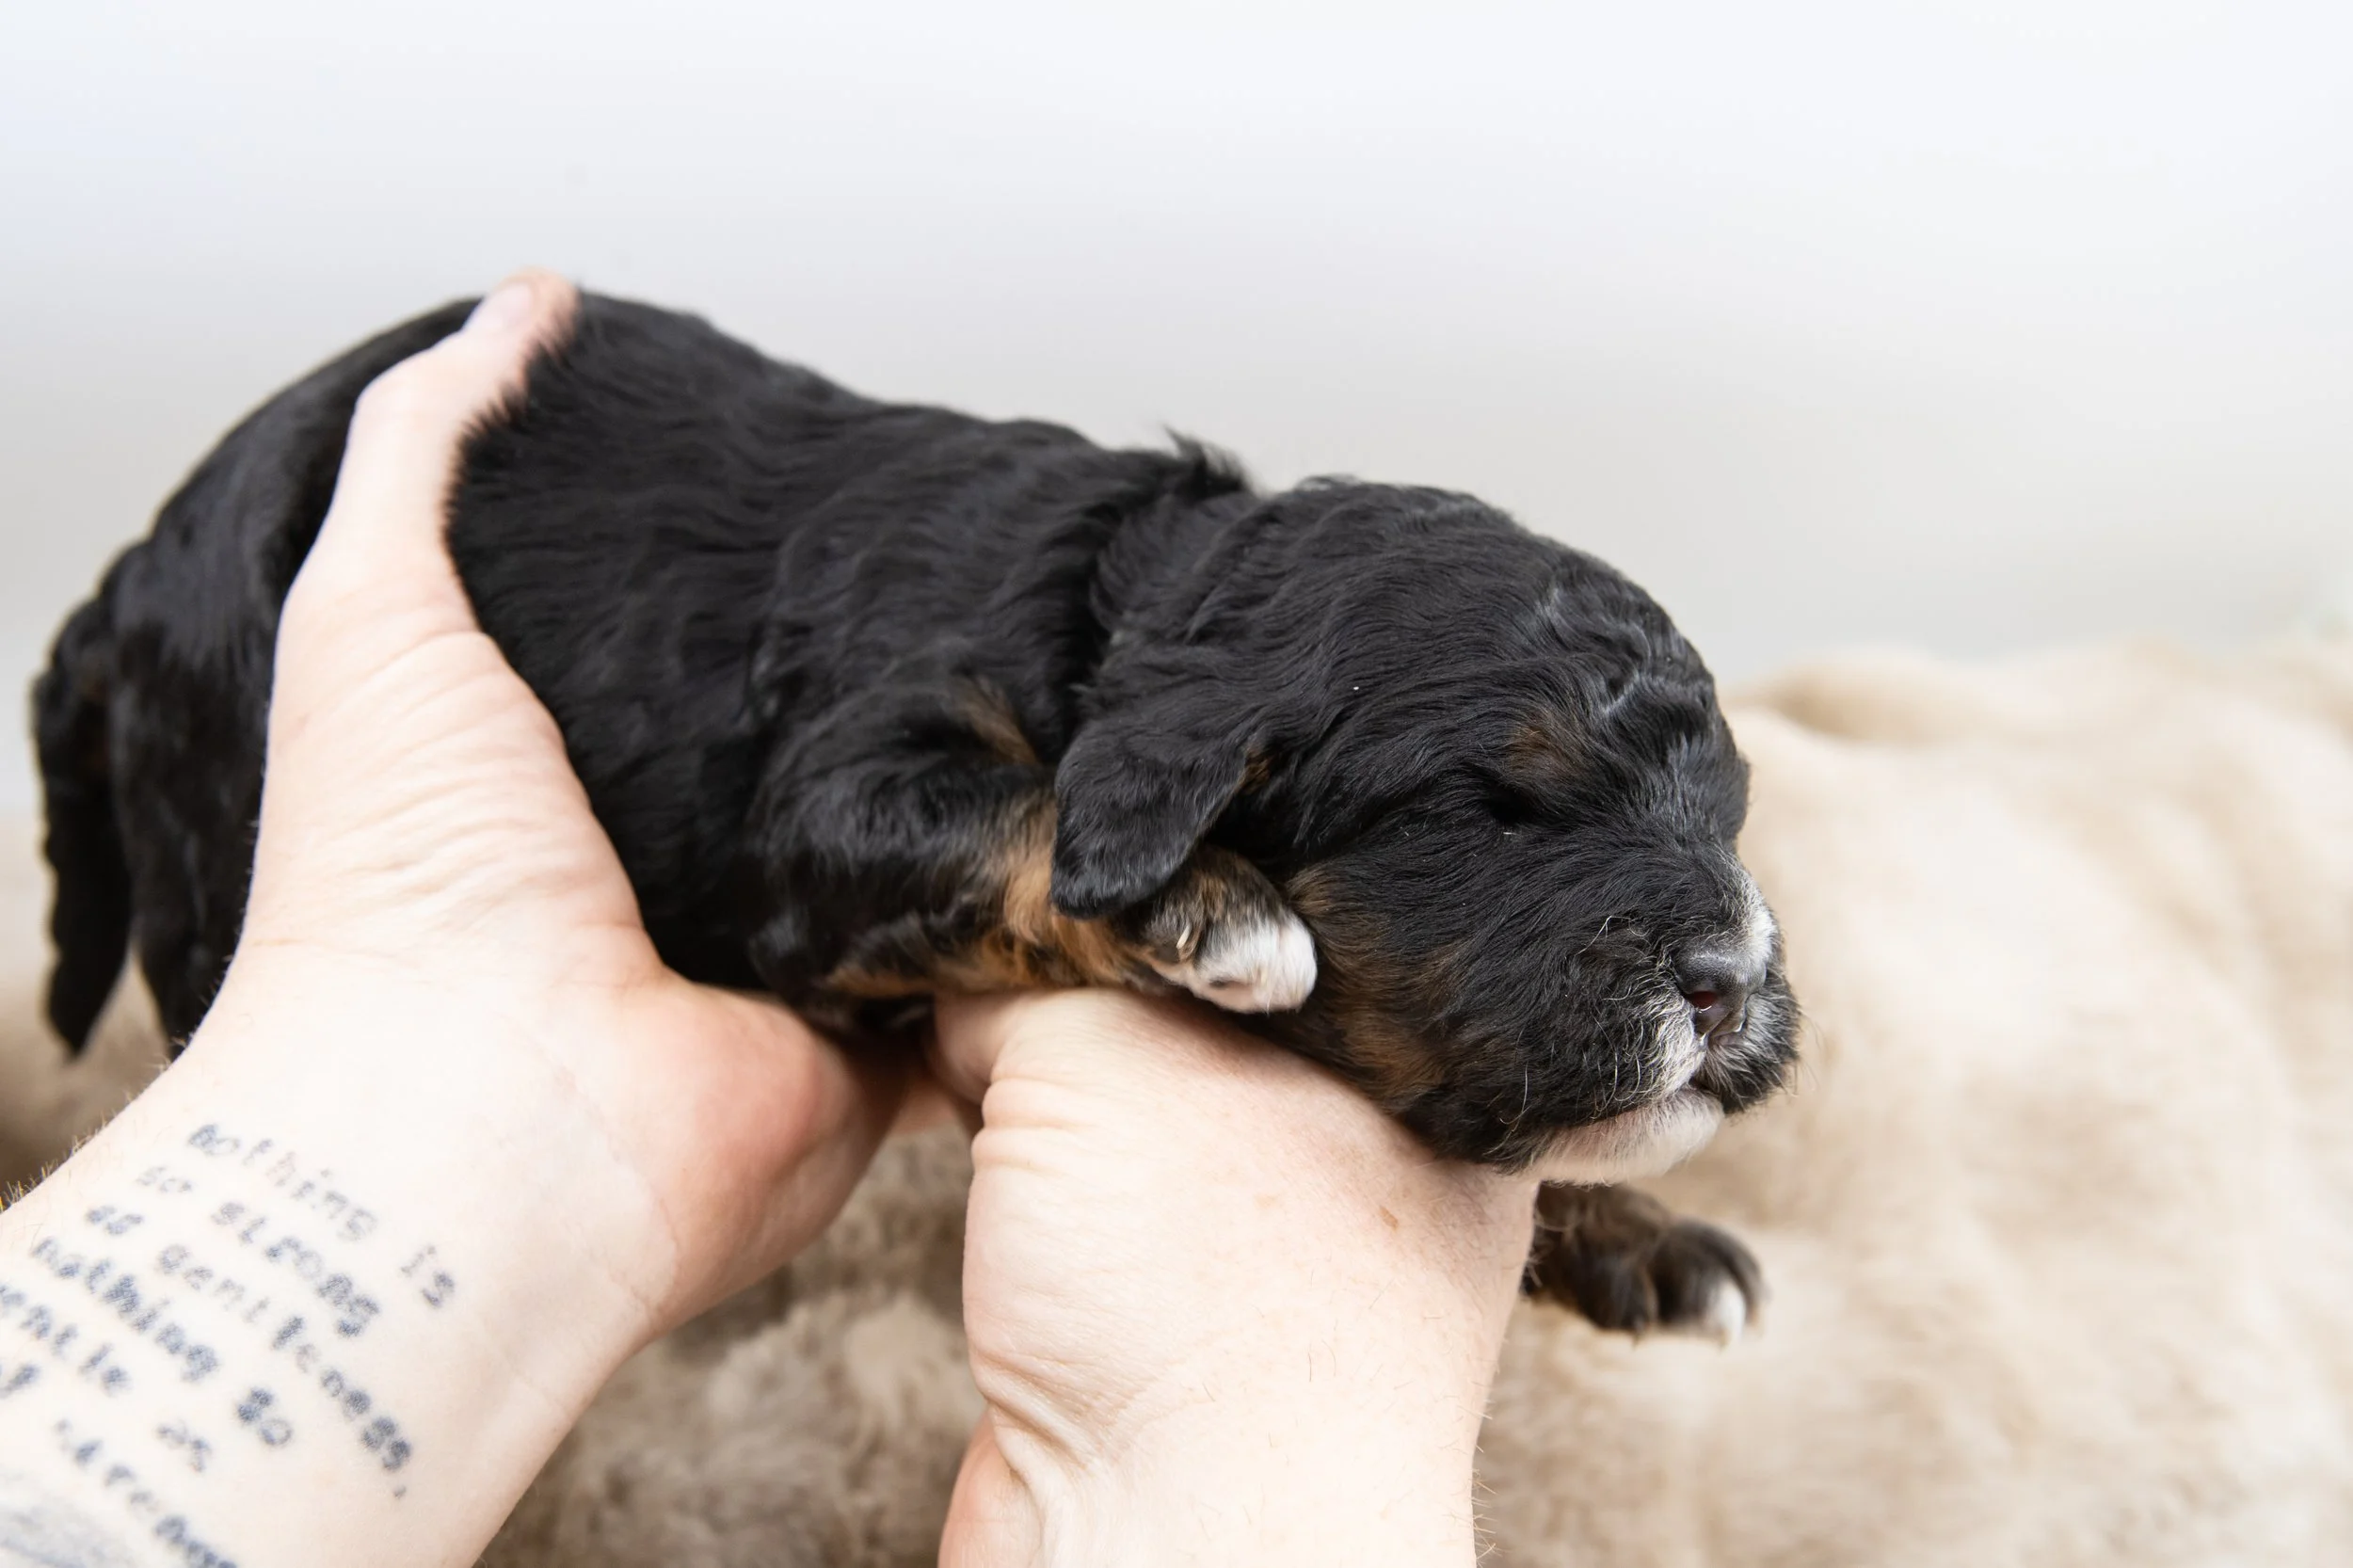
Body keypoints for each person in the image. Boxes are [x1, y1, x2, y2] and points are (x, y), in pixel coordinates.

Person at [0, 273, 1540, 1568]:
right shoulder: (996, 686)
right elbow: (859, 833)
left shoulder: (1185, 720)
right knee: (207, 954)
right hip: (282, 585)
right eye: (1509, 814)